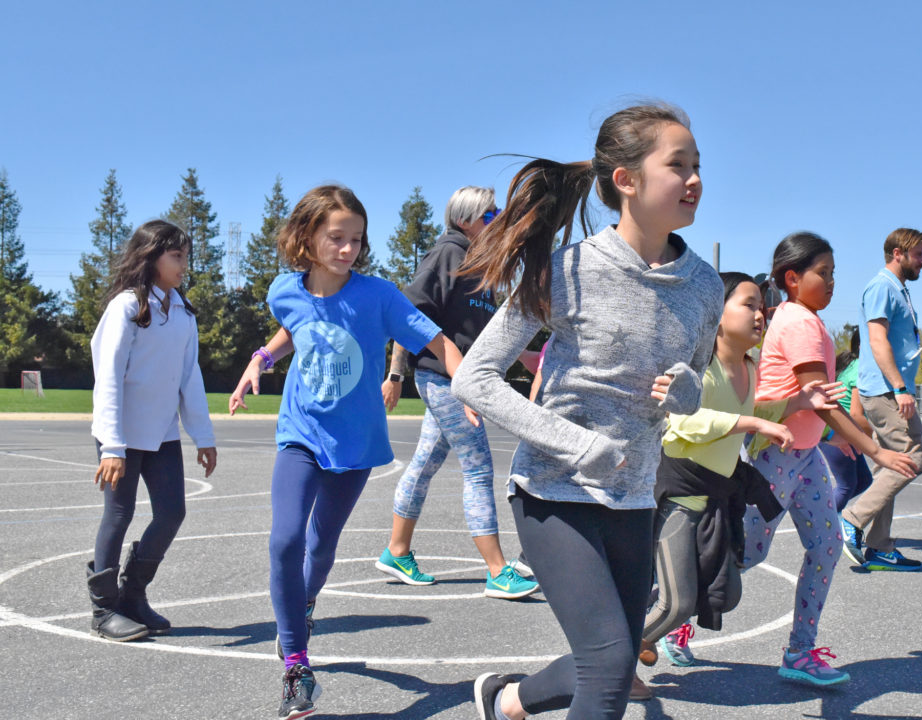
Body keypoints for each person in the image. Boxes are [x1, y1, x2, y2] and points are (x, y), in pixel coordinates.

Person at [453, 103, 723, 720]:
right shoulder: (568, 268)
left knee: (617, 659)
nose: (694, 180)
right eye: (677, 165)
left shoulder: (705, 285)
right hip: (553, 493)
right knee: (607, 674)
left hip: (632, 498)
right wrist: (576, 446)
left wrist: (686, 393)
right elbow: (476, 378)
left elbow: (695, 382)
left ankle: (508, 700)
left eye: (698, 166)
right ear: (625, 180)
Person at [228, 185, 468, 720]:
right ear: (306, 238)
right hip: (301, 432)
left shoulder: (378, 296)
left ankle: (304, 604)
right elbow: (296, 327)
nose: (347, 249)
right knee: (286, 539)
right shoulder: (284, 289)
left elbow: (437, 342)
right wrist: (259, 360)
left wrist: (467, 384)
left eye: (355, 239)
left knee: (322, 544)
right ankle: (296, 662)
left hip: (356, 442)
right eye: (336, 238)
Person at [633, 271, 842, 698]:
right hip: (680, 496)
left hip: (716, 499)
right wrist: (752, 422)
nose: (760, 314)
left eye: (762, 306)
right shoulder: (698, 367)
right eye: (748, 304)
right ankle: (612, 661)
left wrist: (798, 402)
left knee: (723, 594)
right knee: (677, 604)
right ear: (717, 313)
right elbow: (684, 423)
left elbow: (756, 405)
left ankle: (633, 638)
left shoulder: (747, 366)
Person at [744, 231, 918, 685]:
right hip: (775, 457)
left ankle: (799, 653)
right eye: (824, 273)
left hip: (803, 458)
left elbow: (822, 403)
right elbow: (821, 402)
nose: (833, 281)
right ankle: (668, 610)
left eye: (834, 272)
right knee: (745, 553)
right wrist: (874, 449)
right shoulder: (799, 323)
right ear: (793, 278)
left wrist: (840, 439)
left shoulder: (804, 317)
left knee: (825, 546)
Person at [376, 185, 537, 600]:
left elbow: (482, 338)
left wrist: (525, 357)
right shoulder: (448, 253)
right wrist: (395, 375)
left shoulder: (479, 264)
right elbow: (409, 315)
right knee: (479, 466)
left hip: (461, 379)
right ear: (465, 219)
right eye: (489, 215)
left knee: (425, 463)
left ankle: (396, 551)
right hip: (442, 378)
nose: (497, 220)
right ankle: (499, 571)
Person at [88, 219, 217, 642]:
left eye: (185, 256)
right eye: (175, 256)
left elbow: (189, 378)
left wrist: (204, 437)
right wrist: (111, 445)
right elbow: (107, 376)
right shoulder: (126, 306)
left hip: (162, 435)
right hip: (121, 437)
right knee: (119, 514)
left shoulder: (182, 312)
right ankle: (104, 612)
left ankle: (132, 596)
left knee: (172, 512)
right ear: (151, 256)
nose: (183, 265)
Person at [840, 227, 922, 571]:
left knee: (889, 465)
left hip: (888, 388)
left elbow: (894, 339)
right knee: (913, 459)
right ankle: (851, 518)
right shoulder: (881, 286)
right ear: (898, 254)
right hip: (886, 392)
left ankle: (879, 547)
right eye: (919, 254)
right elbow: (876, 341)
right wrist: (900, 387)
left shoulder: (897, 289)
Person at [820, 326, 876, 562]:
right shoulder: (860, 371)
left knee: (864, 481)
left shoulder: (854, 366)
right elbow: (856, 414)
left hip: (843, 431)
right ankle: (823, 526)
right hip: (838, 432)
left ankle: (831, 521)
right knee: (847, 484)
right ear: (864, 347)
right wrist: (875, 440)